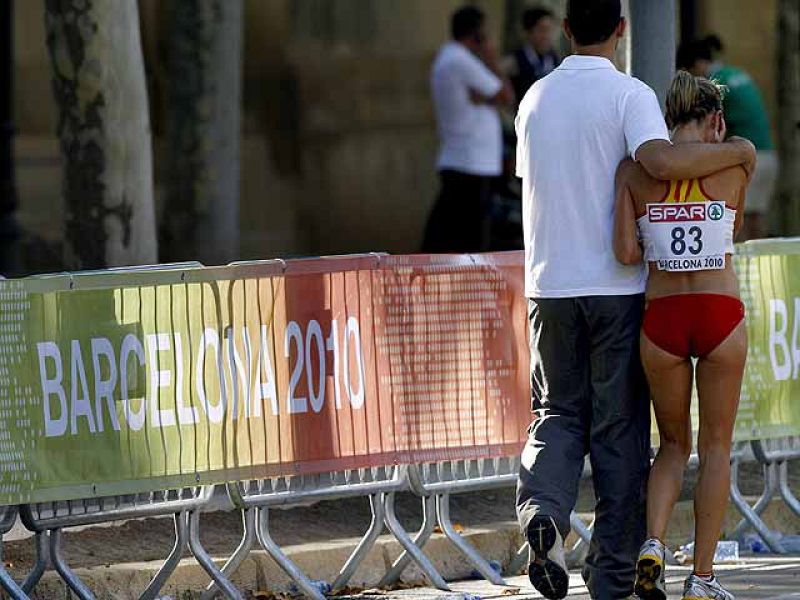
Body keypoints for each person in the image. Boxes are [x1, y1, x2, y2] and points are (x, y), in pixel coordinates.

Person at [513, 1, 755, 598]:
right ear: (622, 29)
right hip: (628, 297)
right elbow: (662, 160)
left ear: (566, 29)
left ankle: (542, 511)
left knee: (557, 415)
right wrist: (740, 152)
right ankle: (621, 574)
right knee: (624, 434)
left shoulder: (533, 100)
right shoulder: (630, 97)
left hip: (550, 286)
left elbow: (545, 186)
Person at [614, 71, 755, 600]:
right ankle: (702, 578)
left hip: (663, 317)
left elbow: (627, 254)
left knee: (672, 445)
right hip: (720, 312)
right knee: (717, 448)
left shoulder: (633, 172)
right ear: (716, 120)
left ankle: (652, 546)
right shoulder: (739, 160)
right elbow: (733, 228)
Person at [422, 6, 514, 253]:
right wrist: (492, 57)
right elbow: (505, 94)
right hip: (470, 163)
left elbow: (487, 95)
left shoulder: (450, 58)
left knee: (451, 235)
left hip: (466, 160)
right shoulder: (460, 61)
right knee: (469, 243)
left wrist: (485, 96)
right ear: (477, 35)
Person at [678, 35, 777, 240]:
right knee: (756, 222)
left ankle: (743, 271)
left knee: (736, 225)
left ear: (696, 64)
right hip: (766, 153)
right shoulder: (736, 73)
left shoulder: (715, 84)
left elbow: (705, 123)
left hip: (749, 156)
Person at [508, 7, 561, 102]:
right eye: (542, 30)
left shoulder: (556, 61)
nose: (547, 36)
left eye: (550, 30)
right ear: (528, 32)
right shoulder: (514, 62)